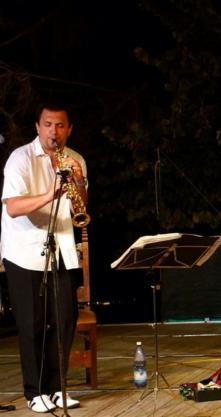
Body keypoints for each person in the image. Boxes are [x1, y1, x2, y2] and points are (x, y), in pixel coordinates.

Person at [1, 104, 87, 412]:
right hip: (24, 251)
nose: (54, 131)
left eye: (60, 125)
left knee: (64, 322)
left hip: (62, 249)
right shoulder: (20, 158)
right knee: (32, 323)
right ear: (38, 127)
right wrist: (51, 193)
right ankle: (34, 392)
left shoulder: (75, 160)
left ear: (69, 129)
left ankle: (57, 388)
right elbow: (13, 207)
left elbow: (80, 208)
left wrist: (78, 182)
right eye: (48, 124)